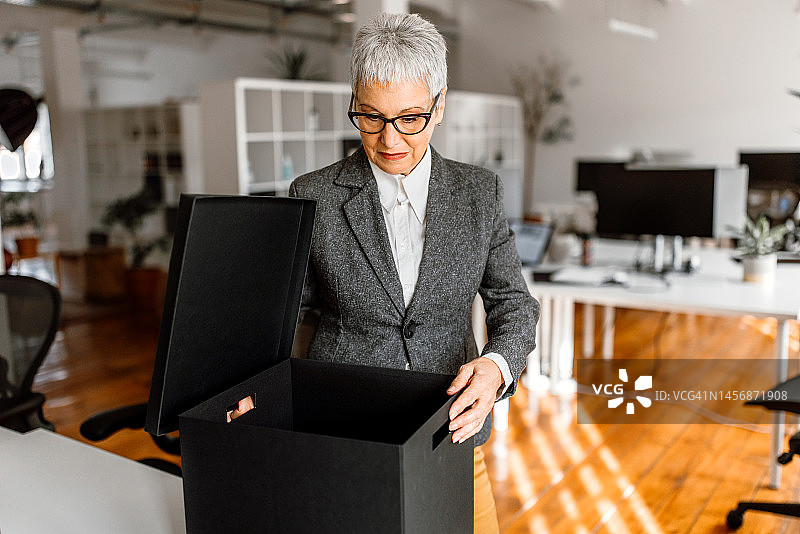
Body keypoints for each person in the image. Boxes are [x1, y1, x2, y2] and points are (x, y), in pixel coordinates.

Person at [288, 12, 539, 533]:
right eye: (370, 116)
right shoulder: (312, 194)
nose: (389, 140)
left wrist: (496, 366)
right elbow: (287, 313)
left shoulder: (478, 192)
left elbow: (515, 304)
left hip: (449, 434)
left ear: (439, 104)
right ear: (353, 102)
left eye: (410, 118)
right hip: (345, 434)